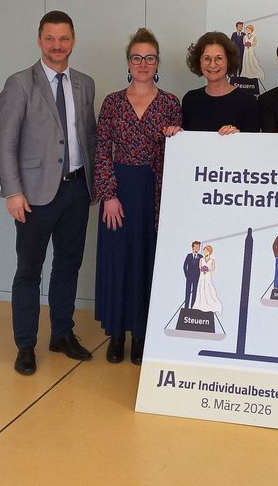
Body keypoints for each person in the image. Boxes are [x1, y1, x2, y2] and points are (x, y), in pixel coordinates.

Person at [0, 10, 96, 376]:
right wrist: (12, 191)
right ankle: (25, 344)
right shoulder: (20, 83)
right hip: (33, 196)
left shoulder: (85, 83)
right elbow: (5, 141)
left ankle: (62, 334)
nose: (57, 45)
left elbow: (89, 135)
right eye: (50, 38)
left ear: (73, 41)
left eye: (64, 38)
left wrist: (95, 183)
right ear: (39, 40)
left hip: (77, 190)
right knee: (29, 271)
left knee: (68, 265)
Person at [94, 28, 182, 365]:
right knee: (119, 261)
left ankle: (142, 335)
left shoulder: (170, 103)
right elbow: (102, 150)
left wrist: (175, 137)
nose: (143, 64)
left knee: (148, 261)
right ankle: (116, 333)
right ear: (128, 62)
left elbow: (178, 155)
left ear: (157, 62)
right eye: (136, 58)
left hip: (155, 193)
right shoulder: (112, 102)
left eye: (149, 58)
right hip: (119, 192)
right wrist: (108, 195)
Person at [180, 31, 260, 134]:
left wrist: (238, 137)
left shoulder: (248, 102)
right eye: (207, 58)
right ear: (199, 62)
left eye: (219, 58)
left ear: (228, 61)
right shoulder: (190, 100)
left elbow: (252, 142)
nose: (212, 65)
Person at [192, 245, 222, 313]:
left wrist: (207, 269)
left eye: (206, 251)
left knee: (208, 287)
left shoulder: (212, 260)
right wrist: (203, 269)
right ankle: (200, 303)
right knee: (201, 287)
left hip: (208, 275)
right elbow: (200, 267)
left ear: (209, 252)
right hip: (202, 275)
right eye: (204, 251)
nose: (205, 252)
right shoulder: (201, 259)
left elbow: (213, 269)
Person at [183, 241, 202, 309]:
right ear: (192, 247)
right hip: (189, 277)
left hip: (196, 277)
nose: (197, 248)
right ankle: (186, 307)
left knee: (194, 292)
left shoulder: (201, 257)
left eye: (198, 247)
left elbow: (202, 267)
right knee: (188, 291)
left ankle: (192, 307)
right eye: (195, 246)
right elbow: (184, 266)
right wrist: (187, 275)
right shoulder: (189, 256)